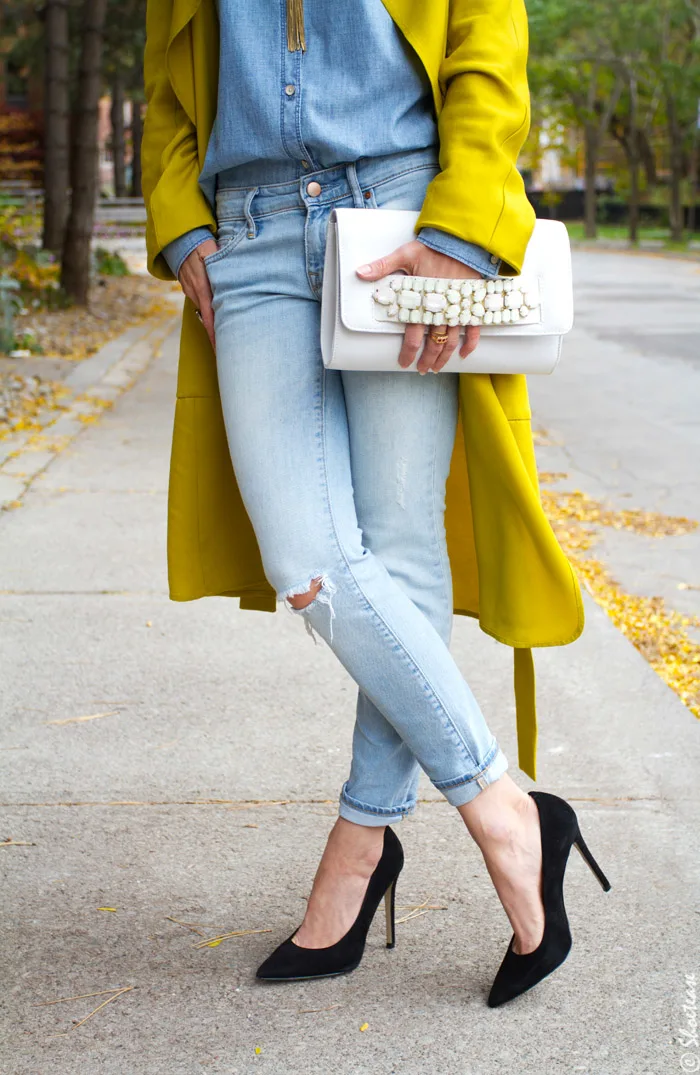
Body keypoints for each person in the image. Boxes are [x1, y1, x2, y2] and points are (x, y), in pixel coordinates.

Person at [142, 0, 610, 1006]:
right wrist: (178, 216)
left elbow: (488, 33)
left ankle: (358, 849)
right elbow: (167, 70)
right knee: (308, 560)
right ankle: (510, 815)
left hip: (403, 211)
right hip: (250, 235)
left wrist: (464, 218)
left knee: (399, 554)